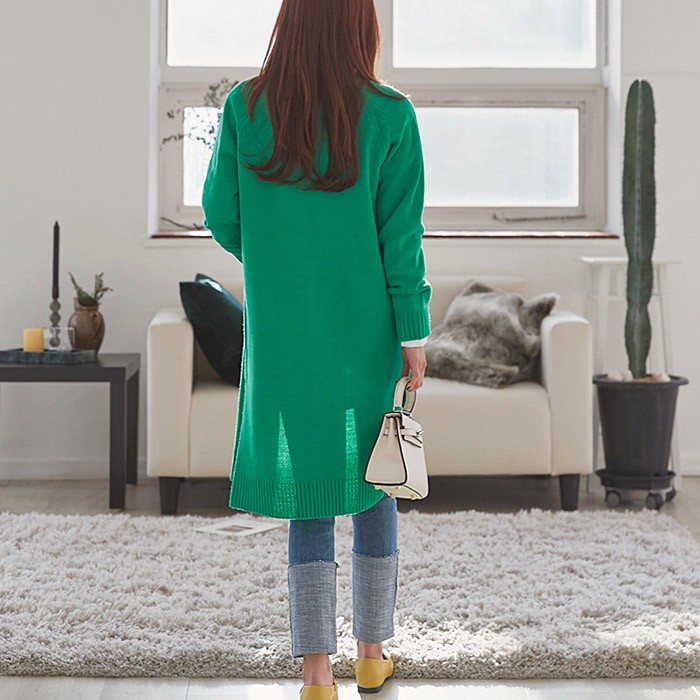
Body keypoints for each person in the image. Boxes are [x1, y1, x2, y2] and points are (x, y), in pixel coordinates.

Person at [201, 0, 431, 697]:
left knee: (309, 493)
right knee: (373, 485)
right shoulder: (391, 114)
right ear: (360, 23)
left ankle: (315, 673)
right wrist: (413, 332)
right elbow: (401, 239)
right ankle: (371, 654)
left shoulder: (246, 106)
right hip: (367, 335)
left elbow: (219, 213)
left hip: (285, 335)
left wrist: (278, 259)